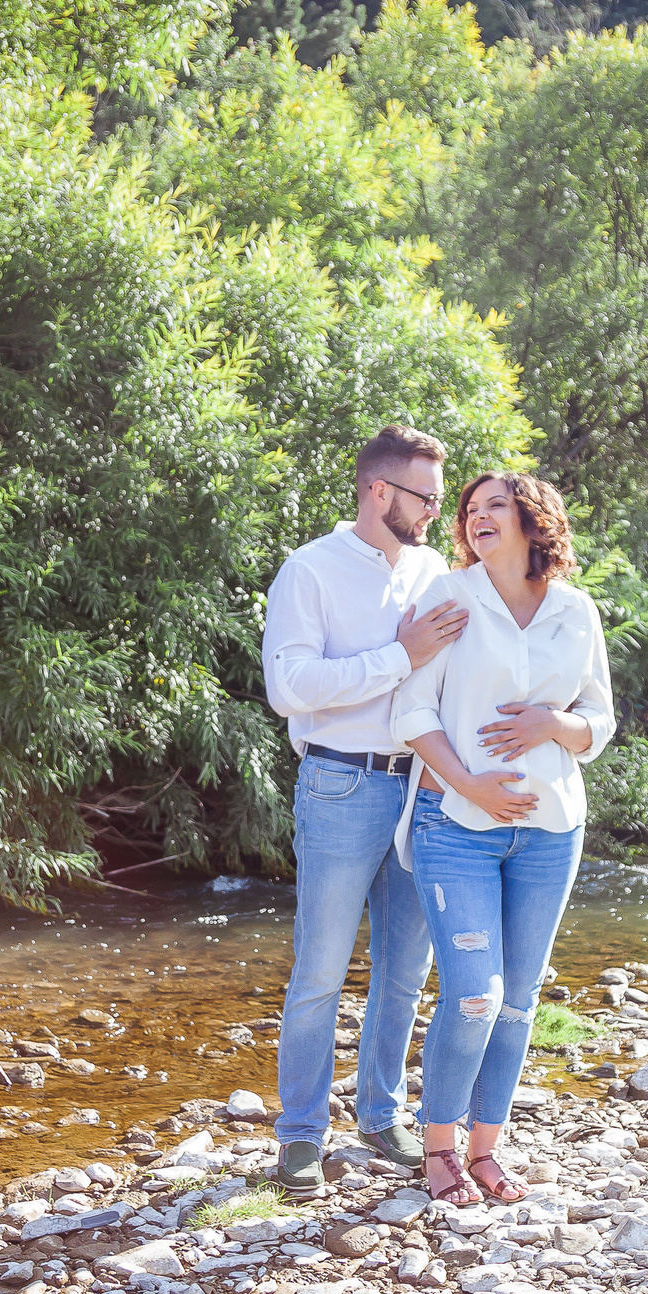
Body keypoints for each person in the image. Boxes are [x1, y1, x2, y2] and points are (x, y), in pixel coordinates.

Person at [388, 472, 614, 1205]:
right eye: (470, 508)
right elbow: (411, 710)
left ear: (531, 520)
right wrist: (469, 784)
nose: (477, 516)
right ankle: (440, 1147)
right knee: (476, 995)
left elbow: (599, 723)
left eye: (494, 506)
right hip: (456, 826)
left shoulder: (577, 611)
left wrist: (554, 724)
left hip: (551, 830)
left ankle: (488, 1149)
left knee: (519, 998)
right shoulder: (451, 598)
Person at [260, 425, 472, 1198]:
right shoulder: (308, 570)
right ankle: (300, 1137)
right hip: (340, 785)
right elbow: (290, 687)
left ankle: (381, 1116)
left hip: (422, 786)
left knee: (404, 971)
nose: (434, 512)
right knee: (319, 970)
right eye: (425, 497)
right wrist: (400, 655)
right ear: (379, 490)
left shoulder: (433, 571)